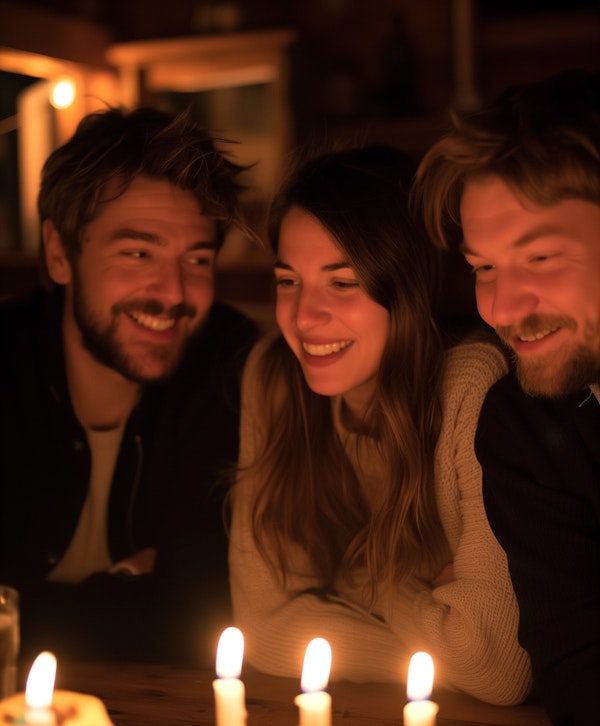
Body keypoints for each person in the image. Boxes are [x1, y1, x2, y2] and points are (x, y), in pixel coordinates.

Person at [228, 145, 532, 704]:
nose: (302, 316)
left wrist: (373, 589)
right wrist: (426, 612)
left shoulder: (469, 384)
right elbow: (265, 632)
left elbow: (497, 666)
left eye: (342, 283)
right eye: (288, 281)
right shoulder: (273, 377)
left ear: (405, 290)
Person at [0, 106, 259, 666]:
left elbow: (203, 619)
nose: (172, 291)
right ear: (58, 253)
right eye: (138, 252)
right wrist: (124, 585)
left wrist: (26, 605)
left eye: (196, 258)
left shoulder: (228, 366)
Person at [412, 68, 599, 725]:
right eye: (483, 267)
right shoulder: (523, 431)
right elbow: (581, 685)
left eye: (541, 258)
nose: (501, 306)